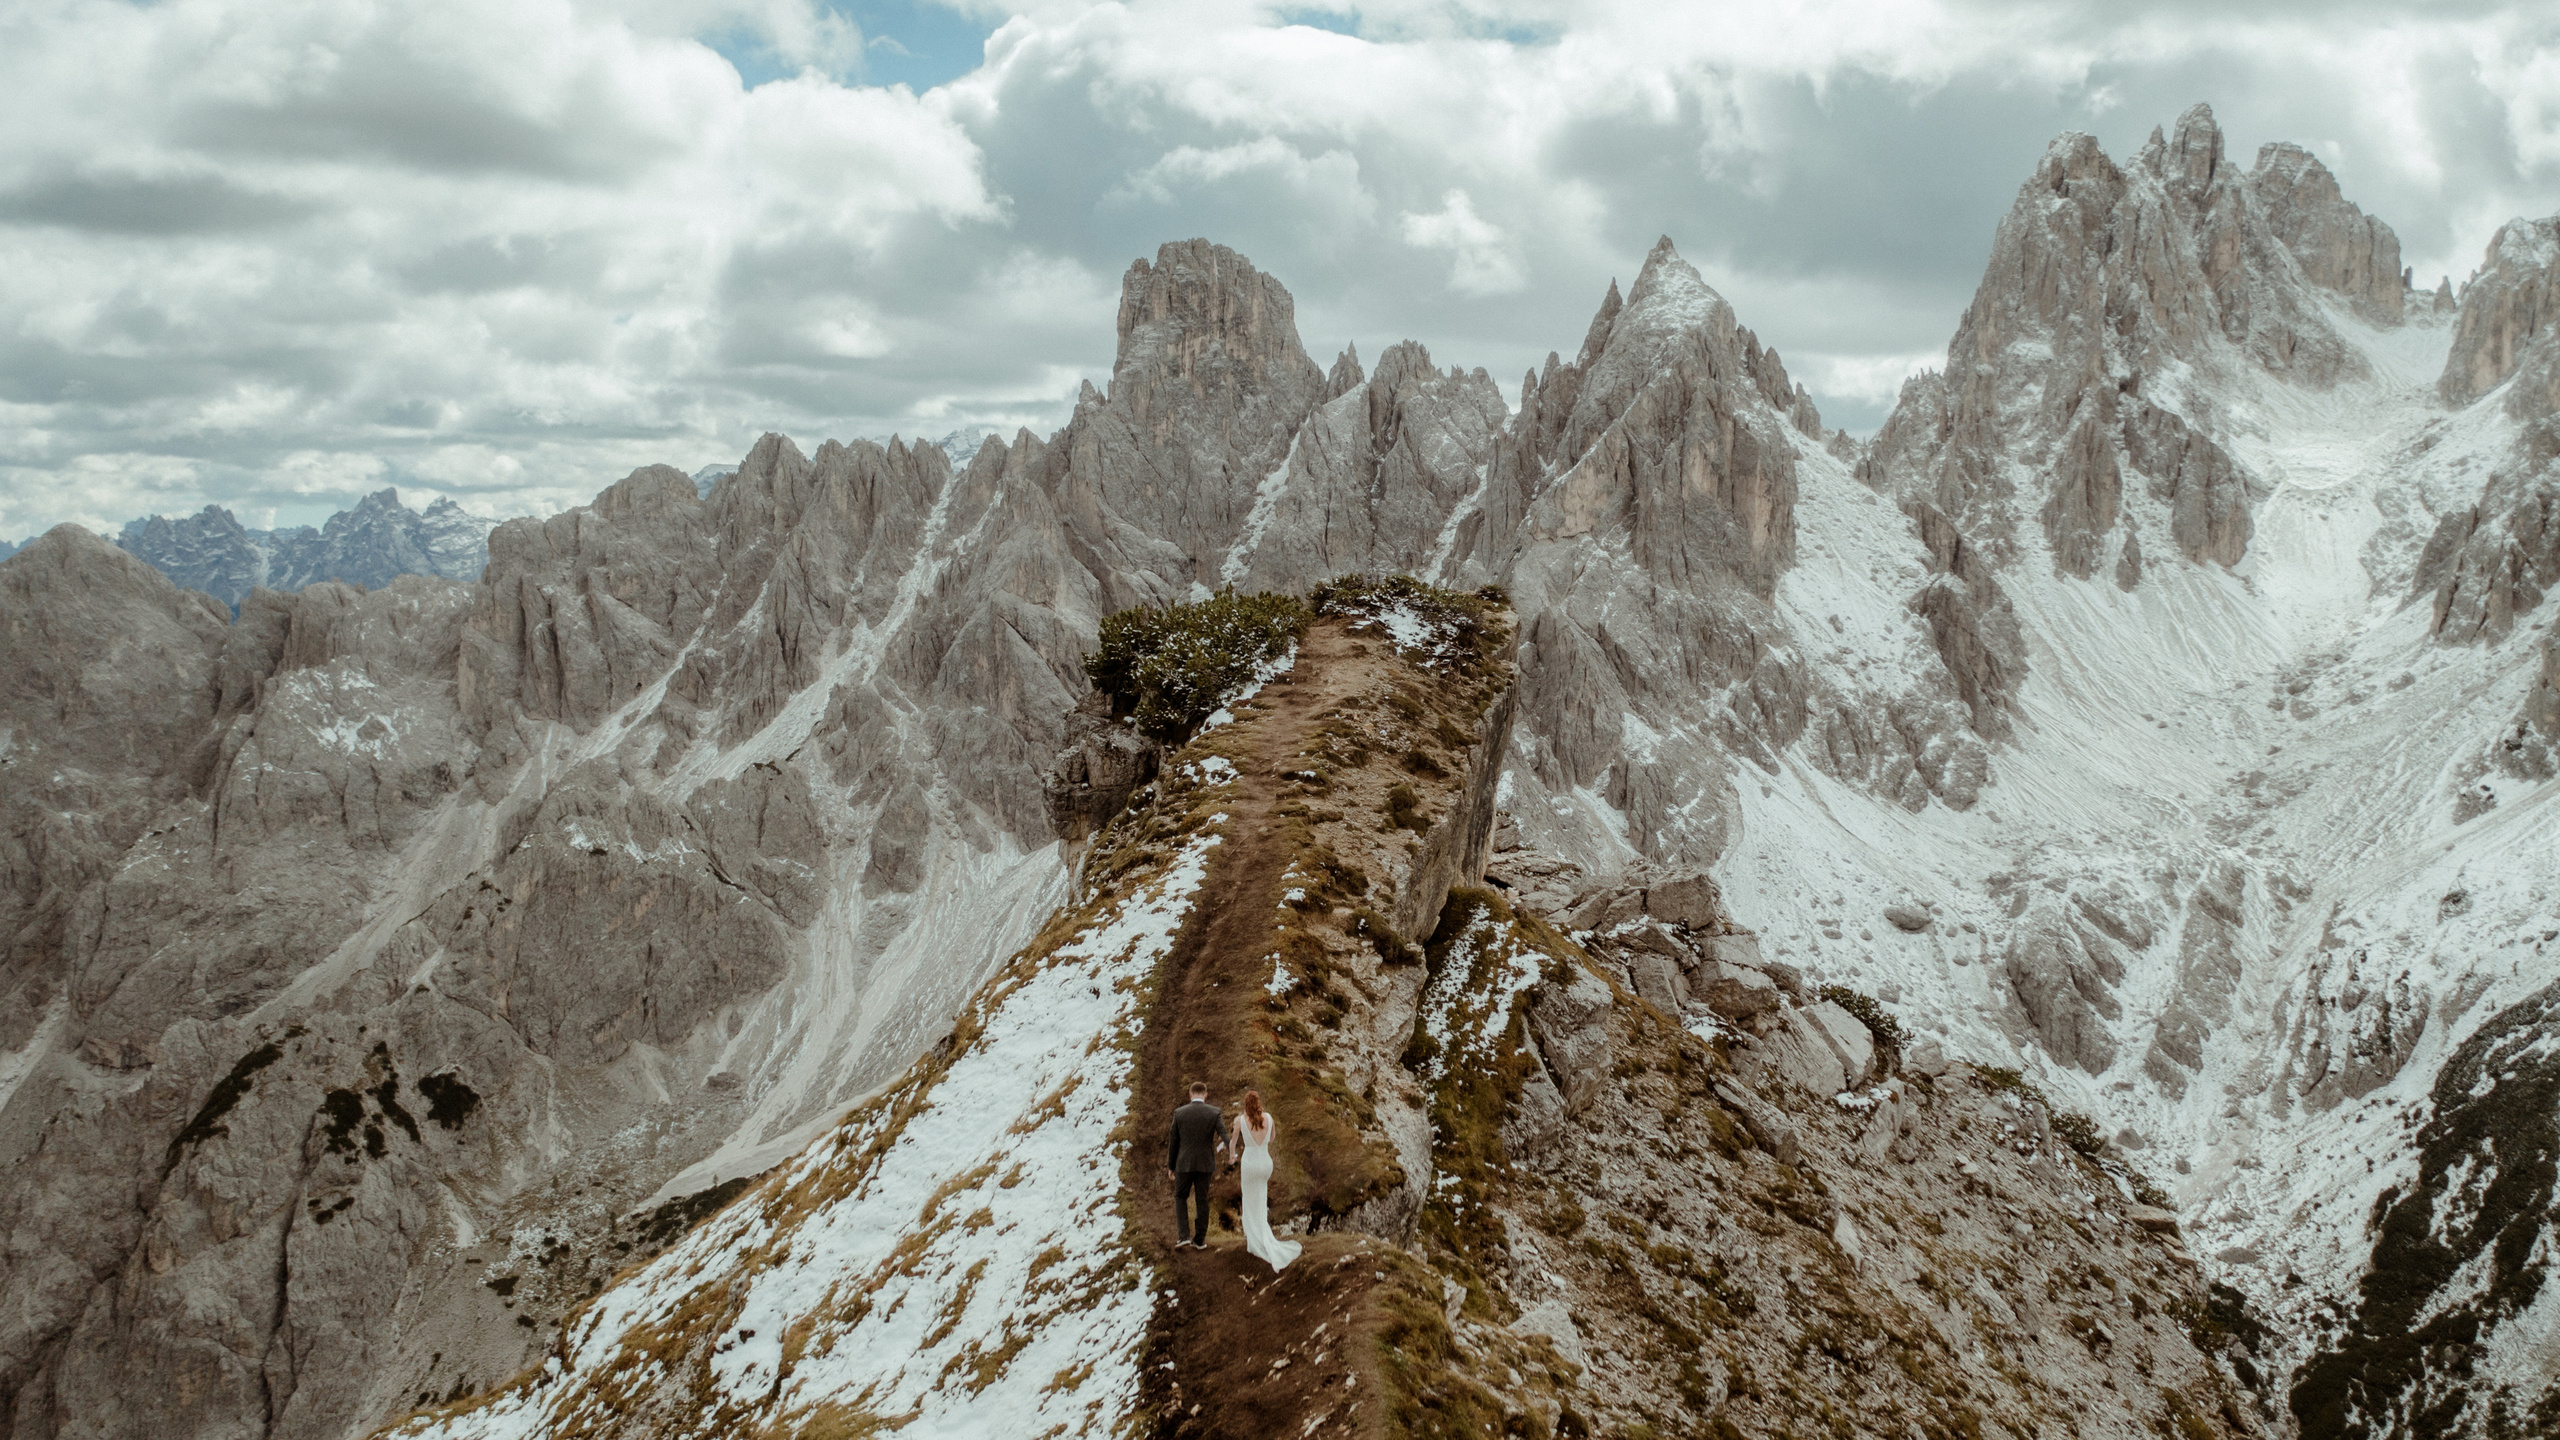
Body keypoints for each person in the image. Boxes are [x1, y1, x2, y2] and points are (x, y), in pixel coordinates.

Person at [1230, 1089, 1301, 1271]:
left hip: (1250, 1164)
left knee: (1249, 1199)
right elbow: (1272, 1138)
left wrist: (1232, 1156)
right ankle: (1262, 1233)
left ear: (1246, 1105)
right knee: (1261, 1198)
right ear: (1259, 1103)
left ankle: (1253, 1239)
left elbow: (1233, 1143)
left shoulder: (1239, 1121)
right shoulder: (1268, 1118)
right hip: (1265, 1163)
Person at [1165, 1081, 1226, 1250]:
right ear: (1205, 1095)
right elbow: (1222, 1132)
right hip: (1205, 1164)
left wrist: (1171, 1166)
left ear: (1190, 1094)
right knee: (1202, 1200)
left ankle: (1183, 1235)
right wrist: (1227, 1144)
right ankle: (1199, 1240)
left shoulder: (1179, 1113)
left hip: (1183, 1163)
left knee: (1180, 1197)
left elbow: (1174, 1142)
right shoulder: (1215, 1112)